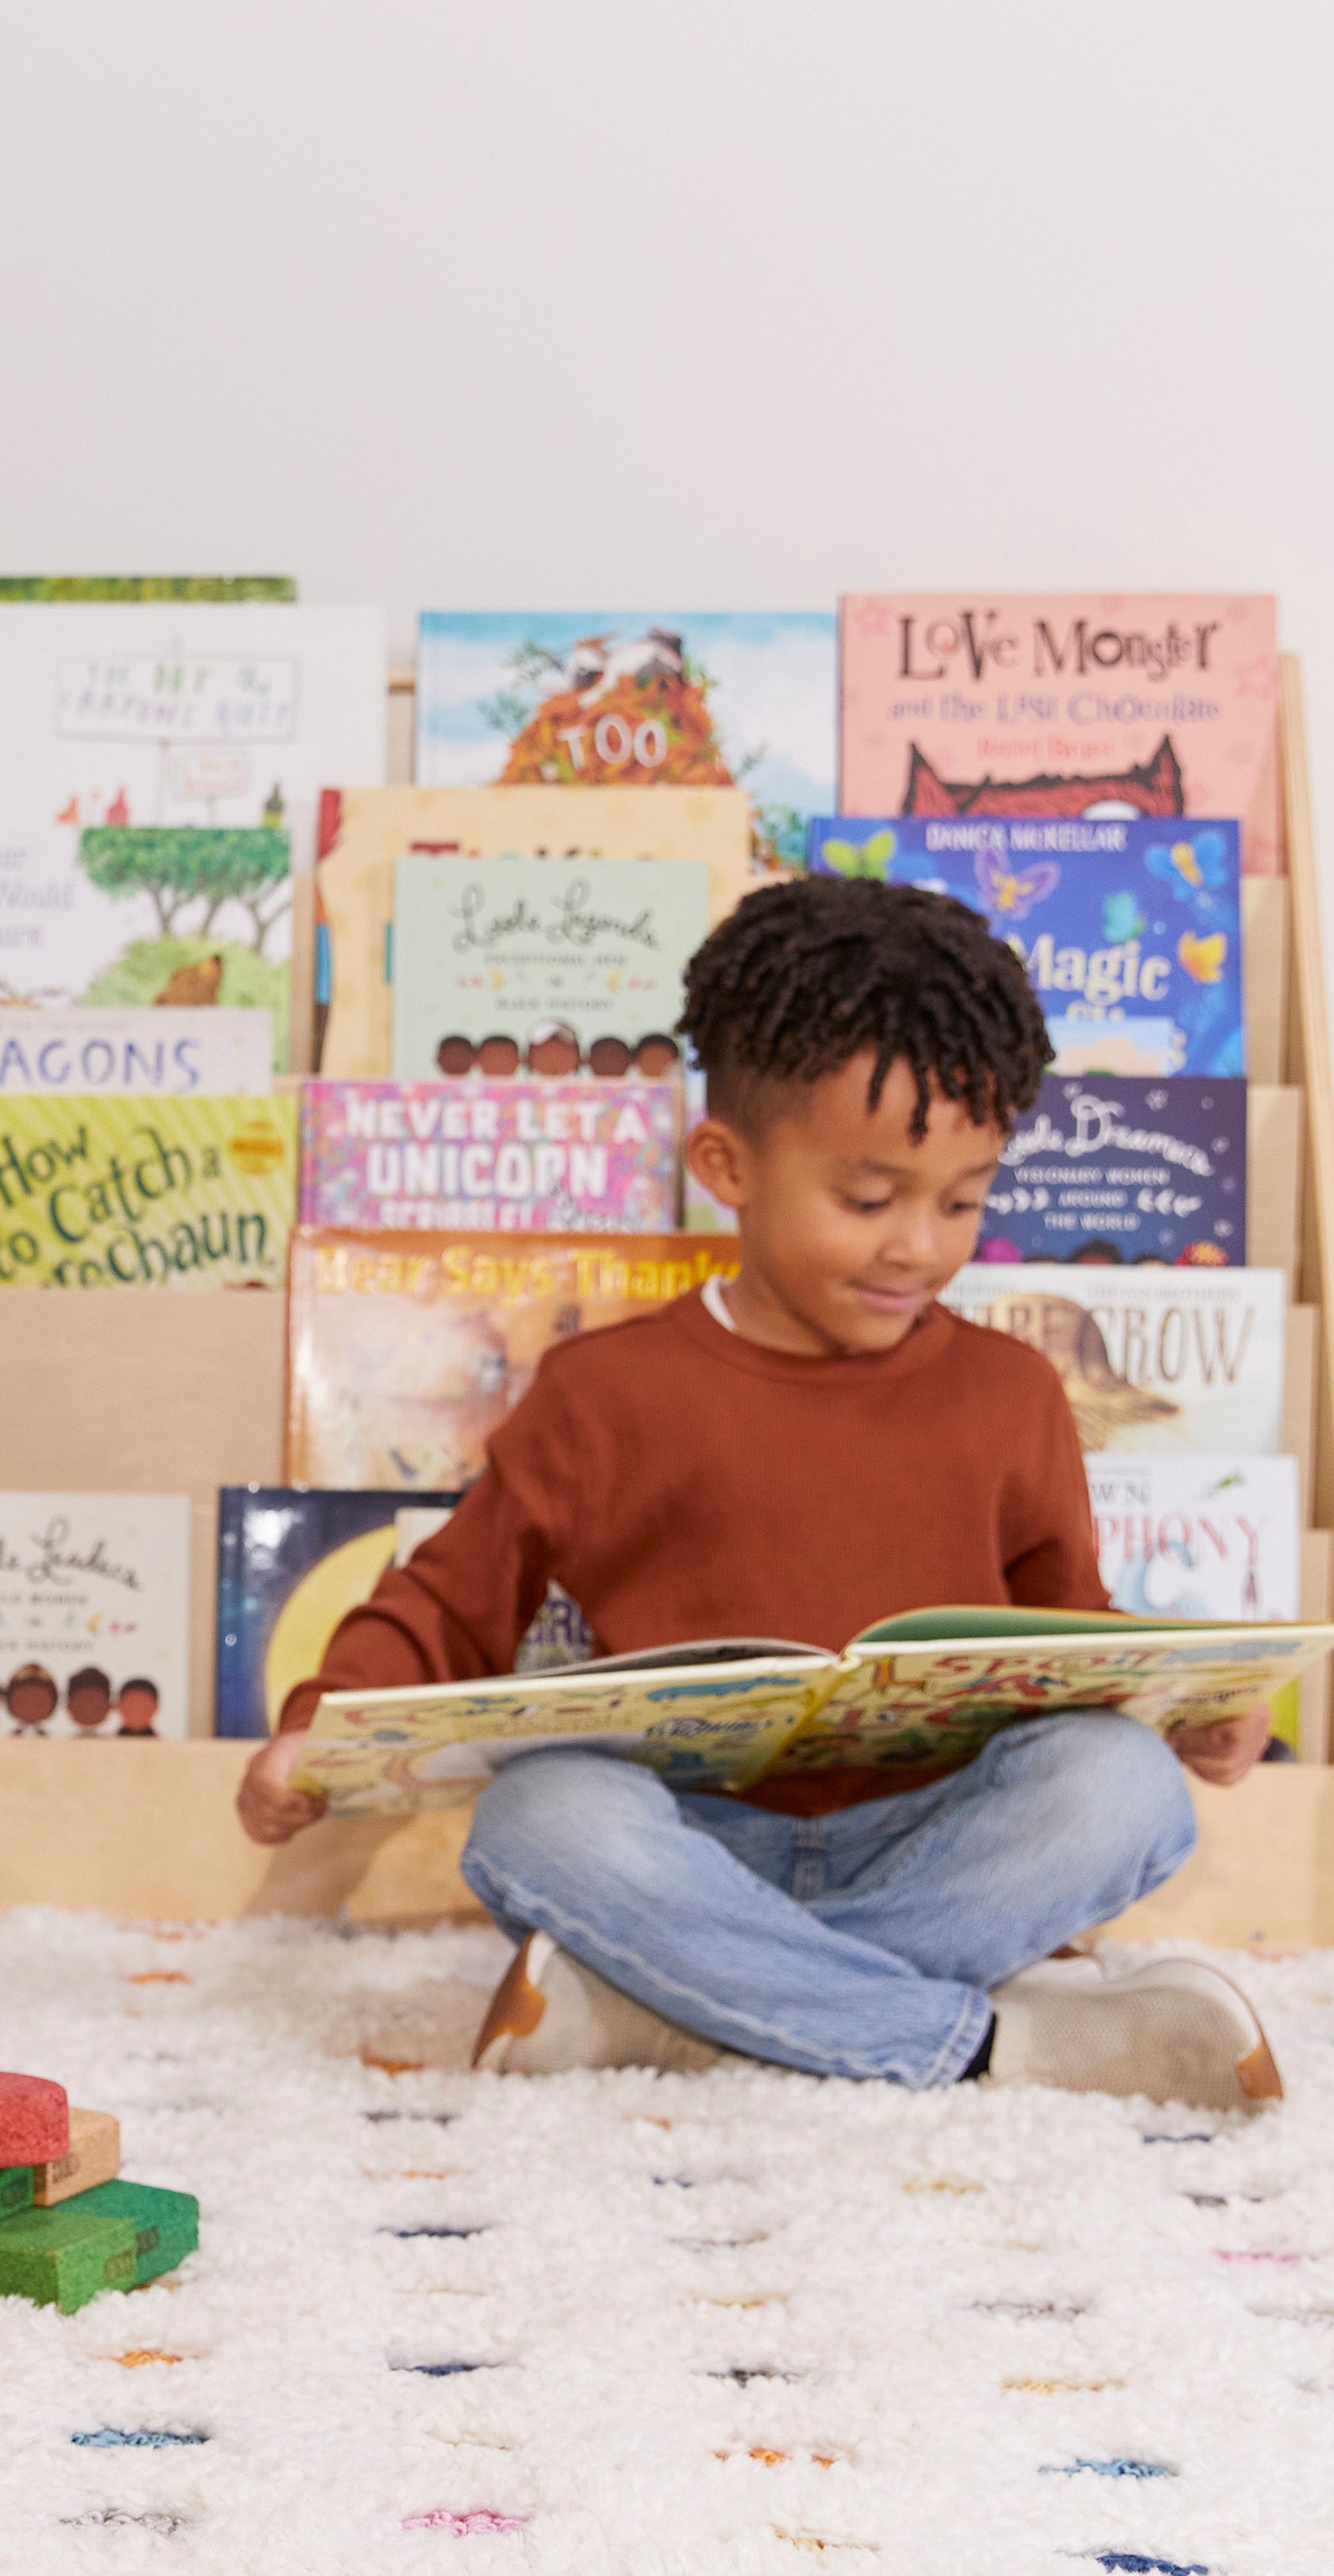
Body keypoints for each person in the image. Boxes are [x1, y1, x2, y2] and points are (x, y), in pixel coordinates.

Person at [237, 875, 1281, 2111]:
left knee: (1120, 1786)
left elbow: (1067, 1641)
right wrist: (321, 1720)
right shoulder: (604, 1392)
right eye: (868, 1198)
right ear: (726, 1164)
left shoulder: (1012, 1395)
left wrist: (1183, 1704)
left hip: (933, 1835)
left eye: (964, 1200)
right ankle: (1002, 2045)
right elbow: (449, 1603)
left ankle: (668, 2009)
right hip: (686, 1844)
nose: (921, 1248)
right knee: (540, 1817)